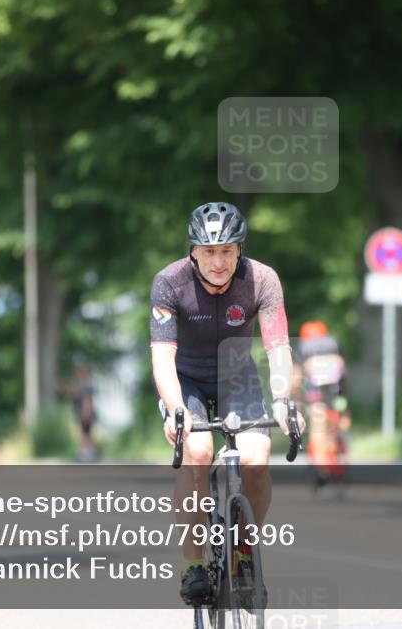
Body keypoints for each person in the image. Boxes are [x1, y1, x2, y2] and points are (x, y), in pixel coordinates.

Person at [150, 201, 305, 605]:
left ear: (240, 250)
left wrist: (284, 399)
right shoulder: (169, 283)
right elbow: (162, 357)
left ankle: (243, 552)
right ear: (193, 252)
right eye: (209, 252)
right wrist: (177, 409)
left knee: (256, 456)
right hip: (186, 380)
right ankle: (192, 567)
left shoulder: (263, 280)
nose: (218, 262)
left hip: (238, 375)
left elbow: (277, 347)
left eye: (227, 251)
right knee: (198, 451)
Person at [293, 320, 350, 488]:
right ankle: (341, 445)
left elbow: (297, 379)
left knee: (317, 426)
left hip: (315, 393)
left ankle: (321, 467)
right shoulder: (334, 342)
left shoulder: (303, 347)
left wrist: (298, 403)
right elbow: (344, 370)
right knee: (340, 417)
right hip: (337, 390)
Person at [68, 362, 97, 462]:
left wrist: (86, 412)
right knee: (85, 432)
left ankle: (88, 452)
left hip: (85, 412)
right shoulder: (83, 384)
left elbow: (88, 401)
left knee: (86, 432)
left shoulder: (86, 385)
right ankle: (86, 451)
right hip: (83, 412)